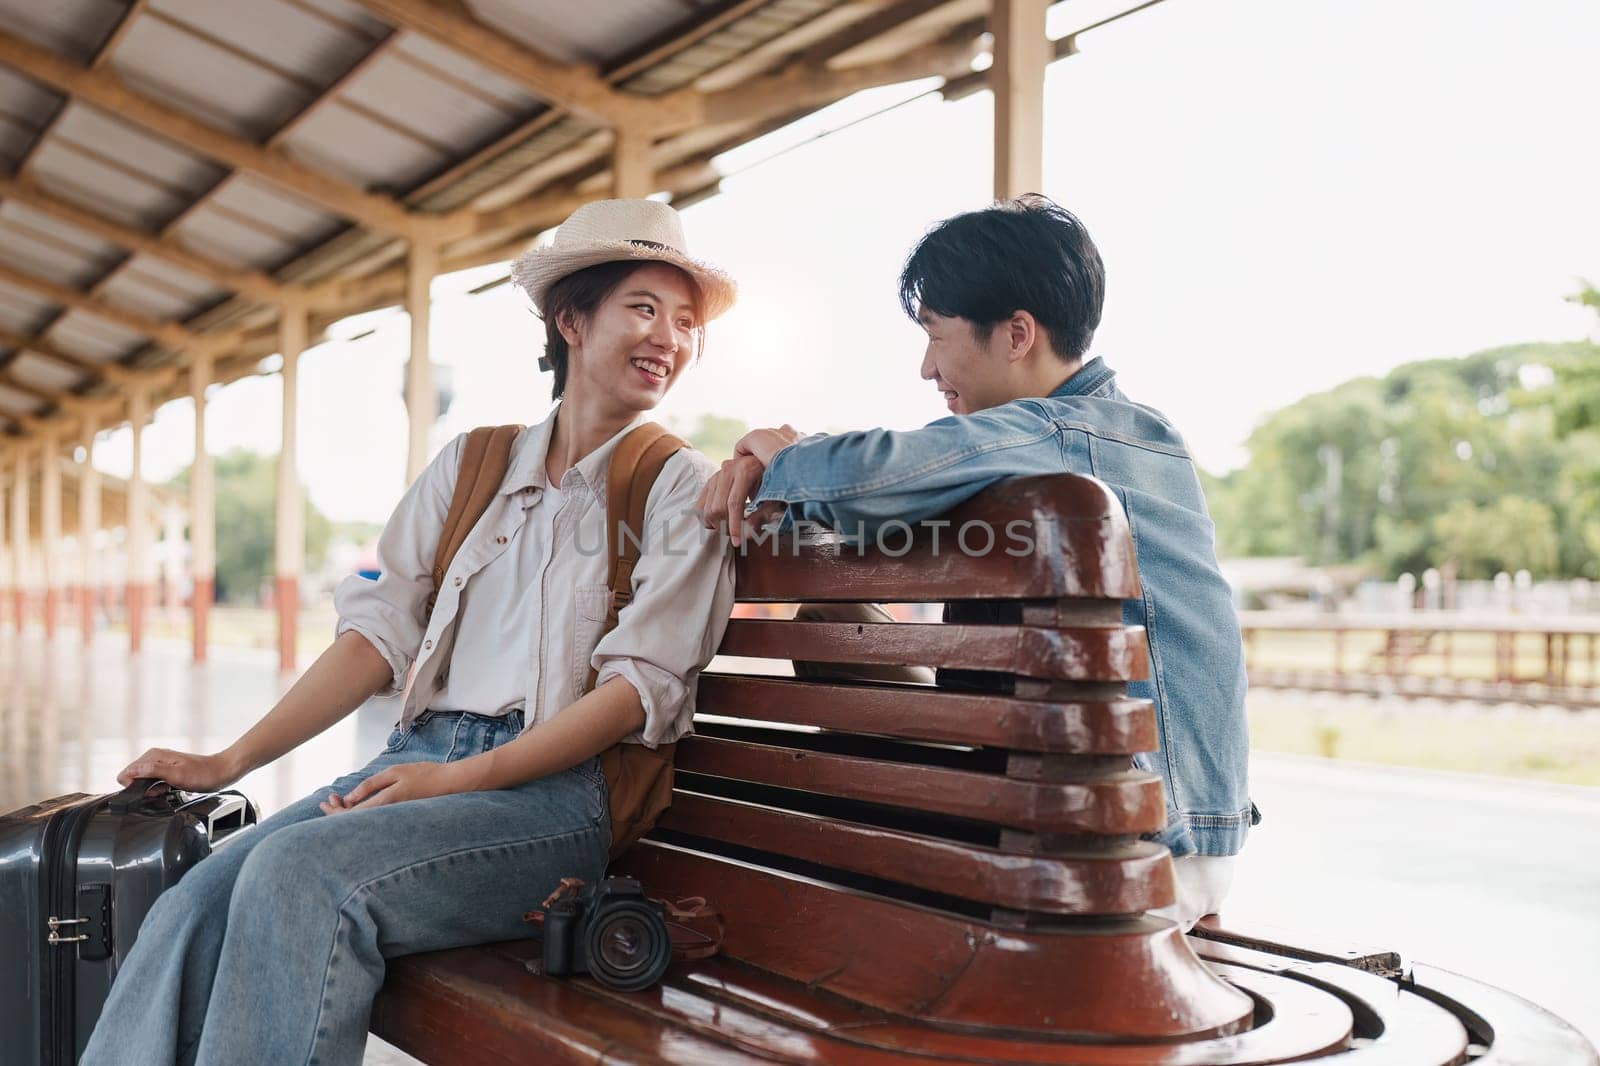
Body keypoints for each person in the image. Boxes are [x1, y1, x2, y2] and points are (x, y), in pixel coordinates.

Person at [82, 198, 738, 1066]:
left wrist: (457, 779)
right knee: (193, 902)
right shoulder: (471, 466)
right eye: (644, 309)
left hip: (555, 799)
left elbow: (631, 697)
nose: (669, 338)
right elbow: (372, 639)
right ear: (571, 320)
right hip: (418, 765)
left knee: (301, 877)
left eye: (686, 321)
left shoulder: (677, 487)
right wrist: (224, 764)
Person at [698, 194, 1256, 931]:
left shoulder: (1067, 431)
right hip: (1124, 816)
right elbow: (878, 491)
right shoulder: (1089, 434)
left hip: (1136, 841)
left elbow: (868, 477)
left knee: (766, 813)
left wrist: (772, 449)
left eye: (937, 335)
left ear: (1018, 333)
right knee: (839, 622)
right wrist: (781, 471)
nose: (927, 366)